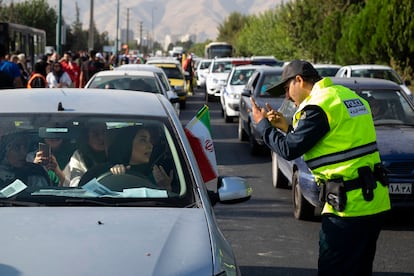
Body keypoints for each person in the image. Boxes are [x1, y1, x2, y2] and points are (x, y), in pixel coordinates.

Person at [250, 59, 391, 275]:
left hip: (347, 209)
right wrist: (287, 127)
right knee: (360, 269)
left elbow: (289, 150)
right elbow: (333, 138)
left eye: (287, 89)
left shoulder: (318, 106)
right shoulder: (345, 96)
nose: (287, 97)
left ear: (299, 80)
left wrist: (263, 126)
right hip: (375, 202)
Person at [79, 125, 173, 191]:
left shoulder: (157, 175)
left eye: (150, 141)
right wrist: (114, 178)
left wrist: (165, 187)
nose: (150, 146)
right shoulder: (98, 172)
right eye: (143, 140)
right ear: (126, 144)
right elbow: (82, 197)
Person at [65, 123, 108, 187]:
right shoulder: (79, 157)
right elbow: (75, 185)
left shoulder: (120, 154)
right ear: (86, 138)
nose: (101, 137)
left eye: (104, 132)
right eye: (95, 134)